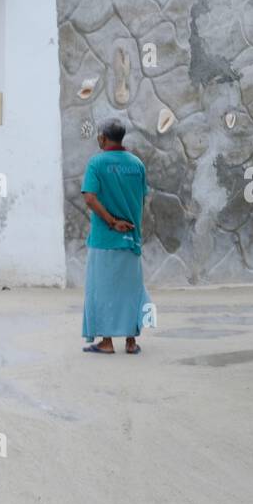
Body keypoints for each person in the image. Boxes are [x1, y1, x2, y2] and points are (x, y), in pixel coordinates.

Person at [80, 119, 150, 355]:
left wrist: (111, 221)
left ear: (102, 138)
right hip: (132, 238)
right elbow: (142, 199)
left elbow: (89, 198)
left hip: (104, 238)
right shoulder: (137, 164)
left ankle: (106, 341)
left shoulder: (96, 163)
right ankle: (131, 342)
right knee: (131, 289)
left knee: (101, 290)